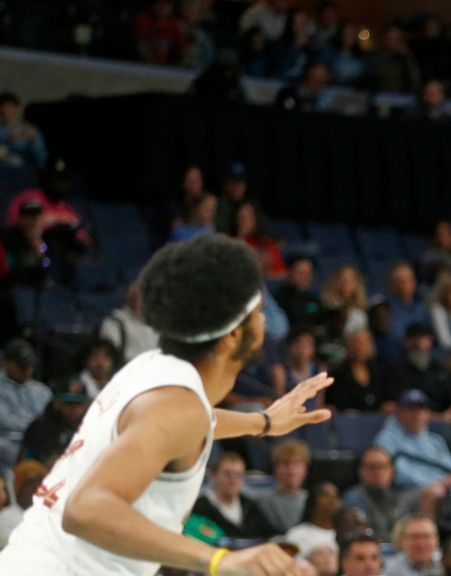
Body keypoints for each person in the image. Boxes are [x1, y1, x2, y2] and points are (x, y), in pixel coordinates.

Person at [0, 234, 334, 575]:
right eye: (258, 313)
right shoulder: (175, 407)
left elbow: (187, 425)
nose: (264, 322)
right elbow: (85, 509)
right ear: (233, 334)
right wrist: (220, 559)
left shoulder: (152, 369)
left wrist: (263, 422)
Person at [373, 389, 451, 490]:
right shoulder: (385, 440)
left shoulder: (436, 441)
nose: (417, 414)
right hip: (405, 492)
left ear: (428, 414)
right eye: (411, 409)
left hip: (444, 489)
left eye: (422, 409)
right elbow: (398, 475)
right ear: (398, 413)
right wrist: (436, 483)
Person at [188, 452, 275, 540]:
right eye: (227, 474)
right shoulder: (200, 507)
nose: (233, 480)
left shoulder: (250, 505)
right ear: (215, 477)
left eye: (238, 475)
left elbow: (270, 533)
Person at [342, 447, 417, 538]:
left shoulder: (402, 496)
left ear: (392, 471)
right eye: (372, 467)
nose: (378, 472)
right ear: (361, 471)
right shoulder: (353, 498)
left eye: (383, 466)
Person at [0, 339, 51, 470]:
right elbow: (5, 421)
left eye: (29, 365)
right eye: (21, 366)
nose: (26, 370)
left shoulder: (42, 391)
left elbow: (50, 420)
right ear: (5, 363)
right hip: (9, 442)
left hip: (38, 442)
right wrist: (33, 427)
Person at [383, 323, 451, 410]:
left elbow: (450, 401)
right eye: (414, 338)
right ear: (405, 341)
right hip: (404, 415)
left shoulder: (441, 370)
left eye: (424, 338)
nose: (419, 343)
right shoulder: (392, 368)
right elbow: (389, 401)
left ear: (431, 341)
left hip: (437, 416)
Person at [18, 377, 90, 465]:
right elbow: (26, 464)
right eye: (68, 403)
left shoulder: (91, 428)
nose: (73, 408)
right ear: (57, 404)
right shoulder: (39, 429)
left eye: (78, 404)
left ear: (86, 406)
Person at [258, 438, 314, 535]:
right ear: (276, 469)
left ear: (305, 470)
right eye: (285, 464)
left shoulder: (312, 501)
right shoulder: (263, 502)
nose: (291, 470)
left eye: (296, 464)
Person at [99, 281, 160, 361]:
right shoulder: (114, 323)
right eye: (137, 297)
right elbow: (112, 356)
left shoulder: (157, 323)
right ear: (129, 299)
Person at [326, 329, 384, 413]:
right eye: (357, 343)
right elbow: (334, 403)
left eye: (365, 343)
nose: (360, 347)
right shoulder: (338, 373)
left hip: (374, 418)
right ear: (349, 346)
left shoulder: (378, 371)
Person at [284, 481, 341, 559]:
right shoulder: (297, 534)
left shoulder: (343, 534)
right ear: (313, 501)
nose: (332, 500)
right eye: (325, 495)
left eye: (335, 496)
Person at [0, 459, 47, 549]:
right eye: (30, 485)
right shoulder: (6, 517)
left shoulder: (44, 516)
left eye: (40, 485)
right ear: (18, 488)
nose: (35, 490)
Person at [233, 201, 286, 280]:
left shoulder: (268, 243)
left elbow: (282, 273)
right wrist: (241, 237)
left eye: (248, 217)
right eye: (241, 218)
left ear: (256, 219)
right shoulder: (231, 242)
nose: (243, 222)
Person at [0, 92, 47, 167]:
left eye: (9, 107)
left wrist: (34, 138)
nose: (6, 111)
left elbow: (41, 158)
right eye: (3, 107)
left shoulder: (30, 130)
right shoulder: (1, 132)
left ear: (17, 108)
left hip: (23, 169)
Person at [274, 256, 322, 328]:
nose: (305, 277)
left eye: (309, 273)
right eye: (301, 273)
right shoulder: (278, 299)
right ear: (289, 272)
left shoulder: (315, 299)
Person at [387, 262, 429, 341]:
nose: (405, 283)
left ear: (414, 282)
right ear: (391, 285)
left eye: (408, 279)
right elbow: (396, 337)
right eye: (399, 280)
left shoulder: (423, 305)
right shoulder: (387, 309)